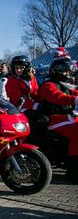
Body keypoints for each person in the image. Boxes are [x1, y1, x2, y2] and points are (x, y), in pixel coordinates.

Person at [37, 49, 78, 183]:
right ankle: (74, 171)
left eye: (69, 71)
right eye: (65, 71)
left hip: (69, 117)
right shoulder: (48, 85)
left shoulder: (66, 85)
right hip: (55, 119)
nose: (68, 73)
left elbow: (74, 93)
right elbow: (58, 97)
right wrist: (74, 100)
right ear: (58, 70)